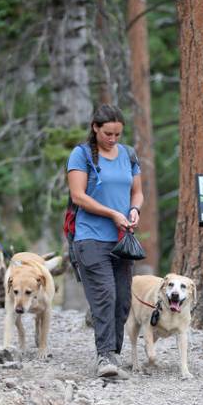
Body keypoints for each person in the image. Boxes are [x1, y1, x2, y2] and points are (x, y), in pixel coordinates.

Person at [67, 104, 143, 378]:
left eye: (117, 134)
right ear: (95, 128)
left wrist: (134, 210)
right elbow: (78, 196)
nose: (112, 139)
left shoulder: (129, 155)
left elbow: (137, 192)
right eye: (108, 133)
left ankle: (114, 354)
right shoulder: (82, 155)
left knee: (122, 300)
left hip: (122, 239)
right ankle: (105, 356)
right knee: (105, 296)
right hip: (90, 238)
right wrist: (112, 213)